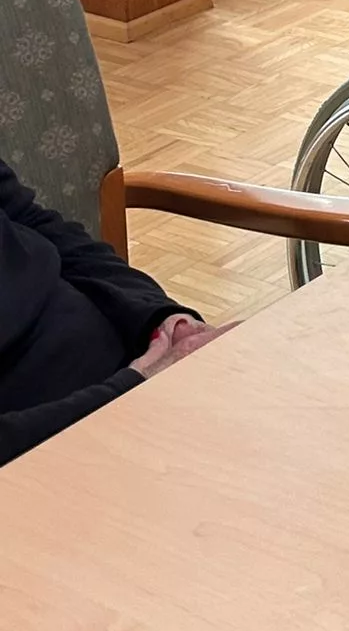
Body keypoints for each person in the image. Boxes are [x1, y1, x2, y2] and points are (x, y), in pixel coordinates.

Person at [1, 154, 228, 465]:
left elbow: (35, 222)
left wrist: (164, 318)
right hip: (52, 450)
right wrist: (131, 386)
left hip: (137, 367)